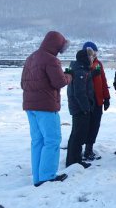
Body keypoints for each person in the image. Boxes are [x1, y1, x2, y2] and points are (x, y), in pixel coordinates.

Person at [21, 31, 72, 186]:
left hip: (30, 106)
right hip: (46, 107)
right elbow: (59, 82)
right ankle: (47, 176)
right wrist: (69, 76)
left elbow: (23, 84)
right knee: (52, 140)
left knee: (37, 141)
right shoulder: (51, 60)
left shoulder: (31, 57)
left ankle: (38, 177)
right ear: (57, 45)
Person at [65, 49, 94, 169]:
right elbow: (79, 92)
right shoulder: (80, 71)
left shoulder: (78, 69)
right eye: (91, 57)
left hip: (77, 107)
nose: (92, 59)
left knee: (76, 134)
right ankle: (74, 161)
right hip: (80, 109)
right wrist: (86, 108)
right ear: (85, 58)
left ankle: (73, 159)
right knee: (78, 135)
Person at [81, 41, 111, 161]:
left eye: (94, 53)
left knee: (95, 126)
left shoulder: (98, 64)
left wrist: (107, 97)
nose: (93, 55)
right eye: (91, 53)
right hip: (87, 102)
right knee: (85, 127)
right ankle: (80, 149)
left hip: (98, 101)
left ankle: (89, 149)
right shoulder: (81, 65)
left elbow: (103, 81)